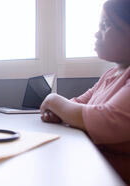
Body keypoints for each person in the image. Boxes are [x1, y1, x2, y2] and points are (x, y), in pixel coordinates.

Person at [40, 0, 130, 184]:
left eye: (106, 25)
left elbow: (105, 120)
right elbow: (79, 103)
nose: (97, 33)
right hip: (93, 168)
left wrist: (53, 100)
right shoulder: (110, 75)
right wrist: (62, 113)